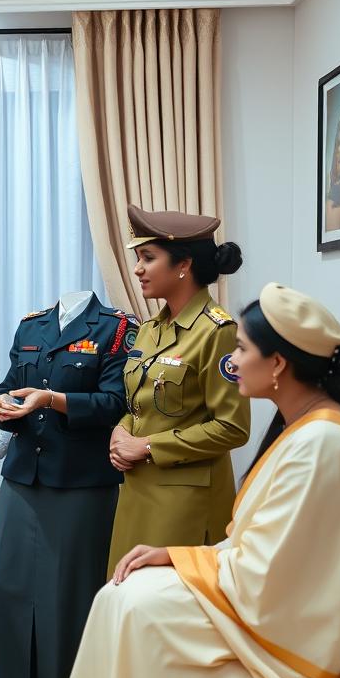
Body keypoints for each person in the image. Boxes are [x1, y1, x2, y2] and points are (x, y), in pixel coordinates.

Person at [39, 283, 340, 678]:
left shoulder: (325, 445)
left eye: (242, 350)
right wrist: (172, 554)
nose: (231, 359)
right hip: (258, 587)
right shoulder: (306, 428)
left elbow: (271, 575)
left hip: (294, 627)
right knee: (120, 593)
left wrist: (185, 560)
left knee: (134, 608)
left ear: (277, 365)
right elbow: (263, 548)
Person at [0, 289, 138, 678]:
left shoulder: (116, 328)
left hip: (80, 483)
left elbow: (114, 402)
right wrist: (1, 404)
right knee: (7, 590)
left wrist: (50, 399)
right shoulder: (32, 326)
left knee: (62, 604)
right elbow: (8, 384)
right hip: (23, 476)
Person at [106, 204, 250, 573]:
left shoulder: (218, 331)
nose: (137, 269)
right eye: (138, 259)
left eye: (148, 258)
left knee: (166, 611)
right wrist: (122, 429)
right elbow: (141, 403)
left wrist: (148, 446)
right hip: (138, 490)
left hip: (185, 501)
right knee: (128, 602)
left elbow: (232, 427)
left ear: (183, 265)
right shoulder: (152, 328)